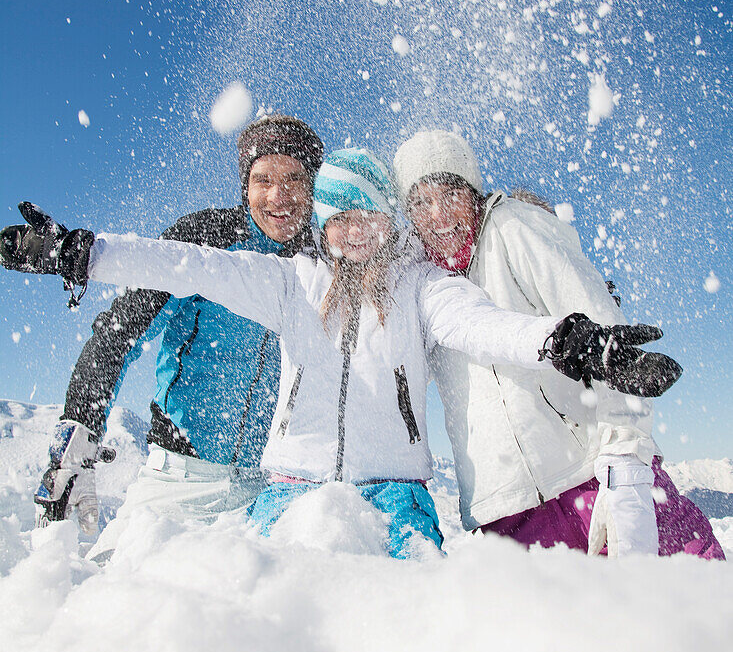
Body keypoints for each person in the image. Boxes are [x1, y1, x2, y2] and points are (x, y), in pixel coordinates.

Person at [1, 149, 682, 560]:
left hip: (398, 495)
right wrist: (86, 252)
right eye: (340, 220)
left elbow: (482, 325)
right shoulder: (287, 282)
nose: (354, 233)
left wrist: (560, 340)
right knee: (273, 640)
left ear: (388, 222)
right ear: (323, 228)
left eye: (368, 218)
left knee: (406, 638)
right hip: (290, 491)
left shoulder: (421, 287)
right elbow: (188, 266)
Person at [392, 129, 724, 559]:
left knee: (694, 604)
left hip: (589, 473)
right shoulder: (419, 283)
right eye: (420, 202)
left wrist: (625, 462)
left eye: (451, 192)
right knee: (562, 628)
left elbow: (606, 343)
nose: (439, 215)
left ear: (474, 192)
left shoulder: (513, 227)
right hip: (507, 509)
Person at [32, 114, 323, 561]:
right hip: (177, 483)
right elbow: (118, 332)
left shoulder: (325, 261)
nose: (278, 195)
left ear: (313, 186)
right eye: (263, 179)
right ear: (245, 187)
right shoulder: (203, 240)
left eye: (293, 179)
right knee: (111, 614)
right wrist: (76, 437)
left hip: (273, 493)